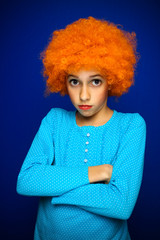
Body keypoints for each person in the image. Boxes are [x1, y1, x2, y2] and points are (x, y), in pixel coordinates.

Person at [16, 16, 147, 240]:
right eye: (74, 81)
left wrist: (55, 191)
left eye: (95, 81)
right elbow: (26, 181)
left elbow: (121, 205)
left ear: (112, 81)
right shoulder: (54, 121)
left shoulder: (131, 126)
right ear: (63, 81)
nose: (83, 95)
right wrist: (98, 172)